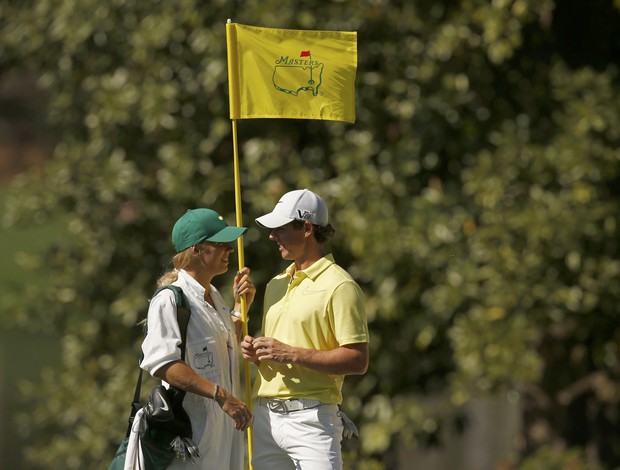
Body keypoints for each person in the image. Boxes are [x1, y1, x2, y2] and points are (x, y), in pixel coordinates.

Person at [241, 189, 370, 470]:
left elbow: (357, 360)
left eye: (280, 229)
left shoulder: (341, 286)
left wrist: (289, 353)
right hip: (265, 421)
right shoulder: (275, 284)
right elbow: (275, 352)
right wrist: (256, 351)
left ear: (307, 228)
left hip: (313, 421)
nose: (272, 236)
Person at [140, 208, 255, 469]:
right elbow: (163, 364)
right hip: (190, 441)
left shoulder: (214, 295)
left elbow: (223, 347)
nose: (230, 249)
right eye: (221, 244)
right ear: (196, 250)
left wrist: (239, 307)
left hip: (222, 436)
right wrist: (221, 395)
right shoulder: (170, 299)